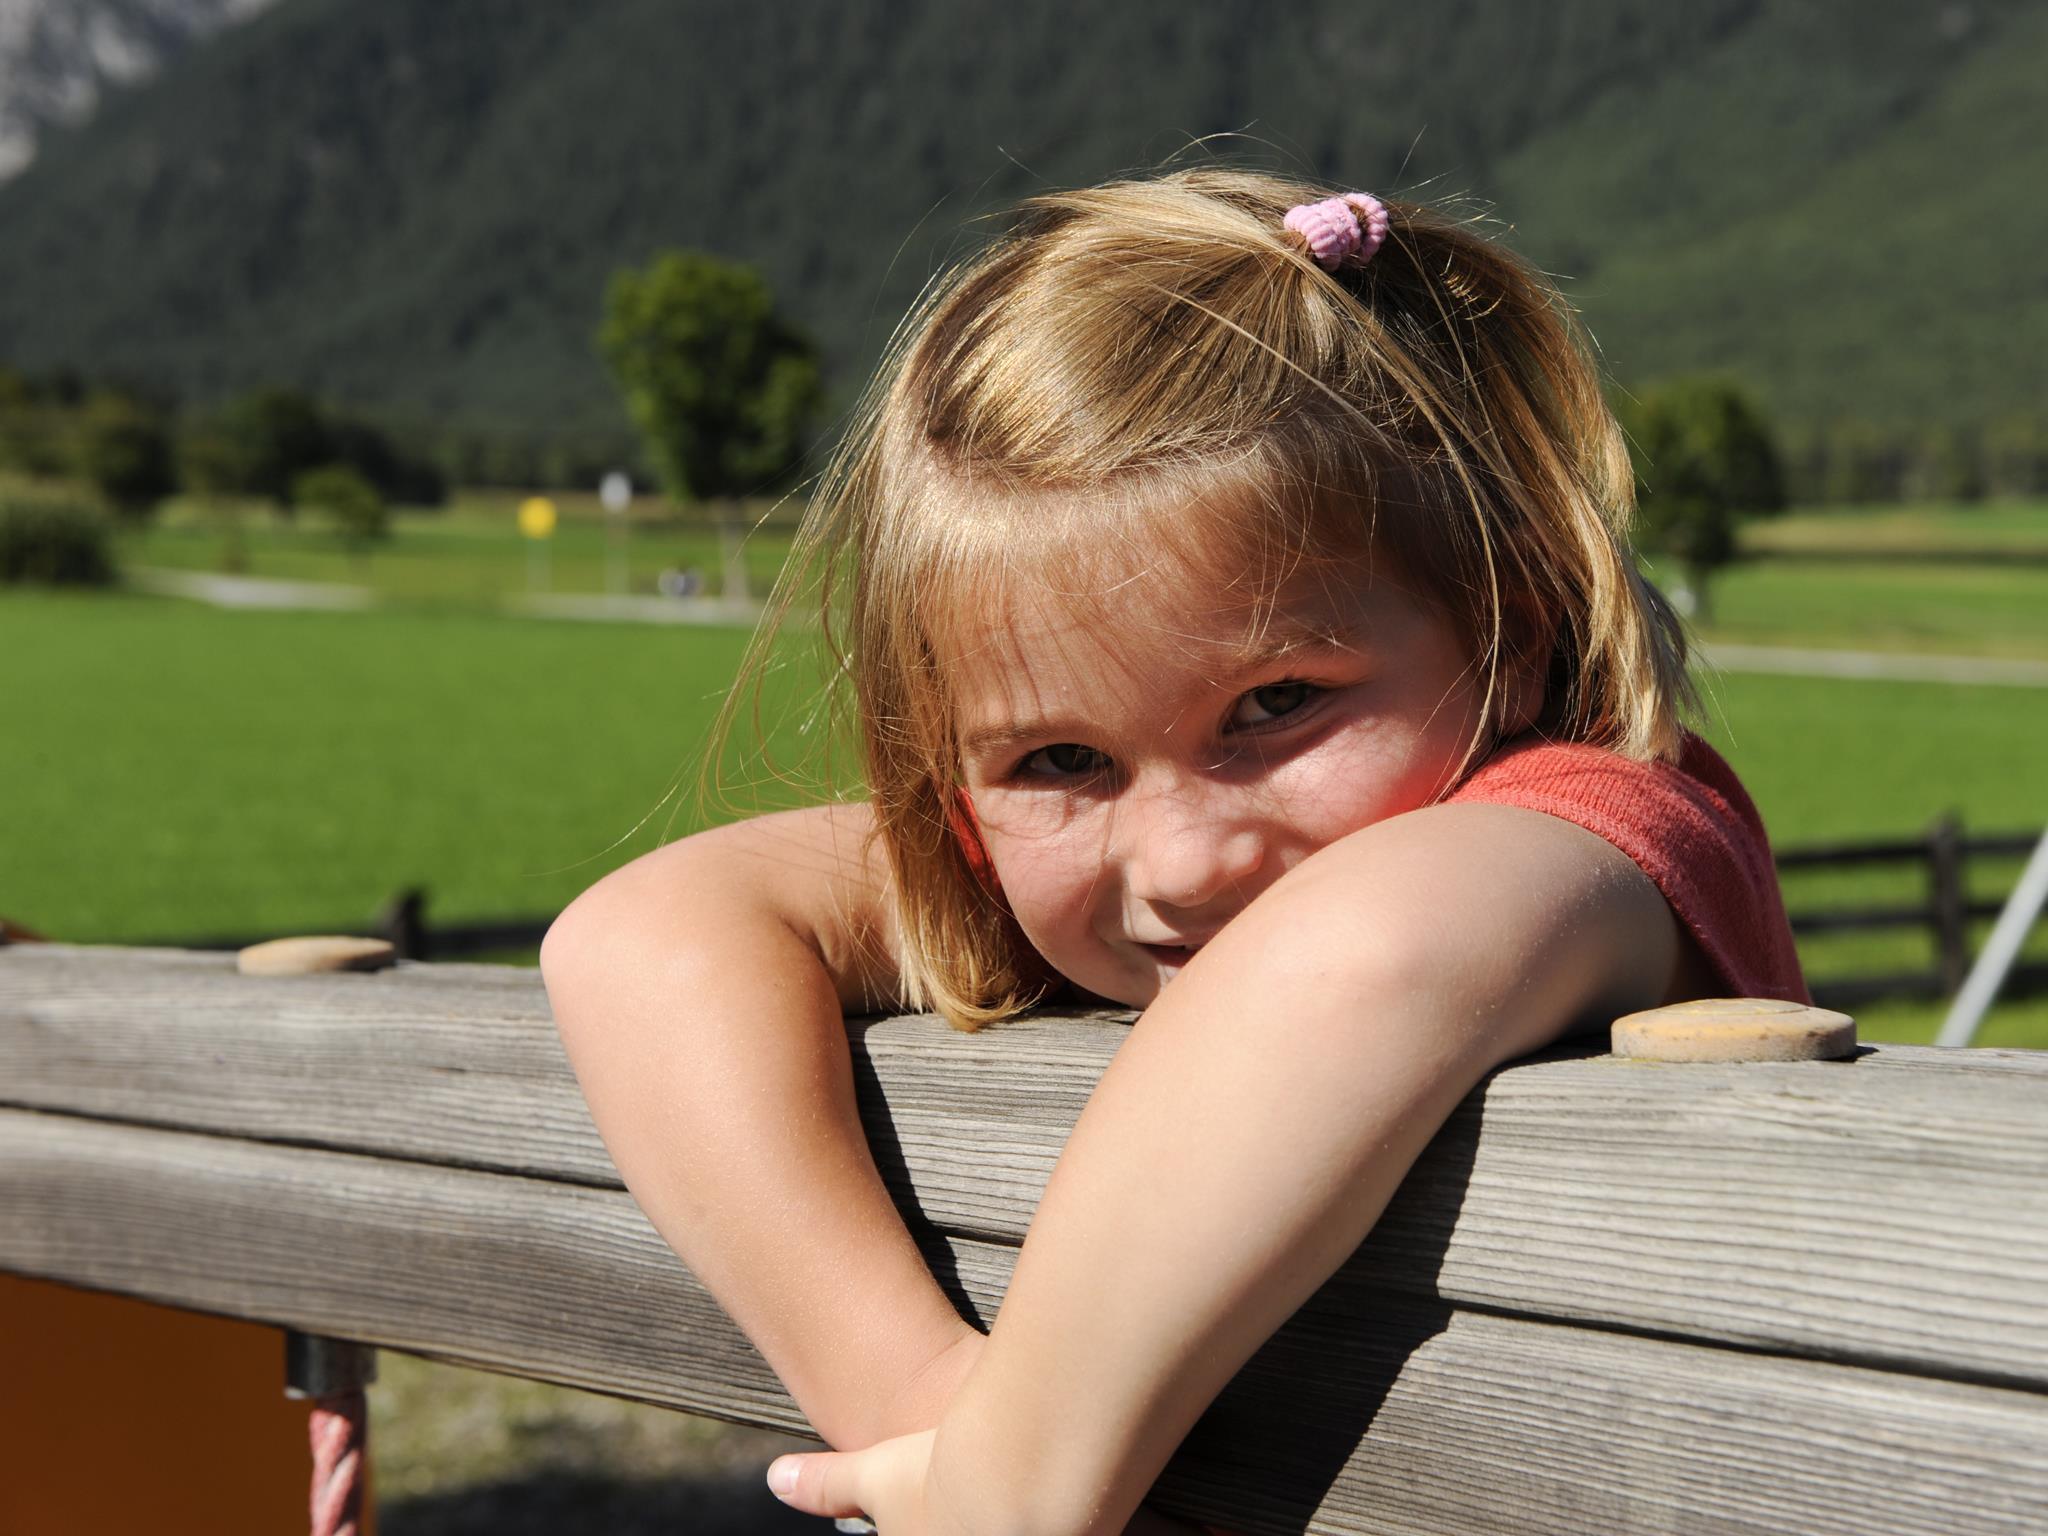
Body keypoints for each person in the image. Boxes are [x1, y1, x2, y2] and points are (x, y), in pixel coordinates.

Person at [540, 167, 1806, 1536]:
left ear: (1517, 634)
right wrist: (931, 1410)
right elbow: (635, 943)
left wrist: (1016, 1487)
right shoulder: (1061, 865)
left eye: (1277, 706)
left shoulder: (1605, 829)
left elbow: (1364, 952)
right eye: (1060, 761)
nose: (1188, 858)